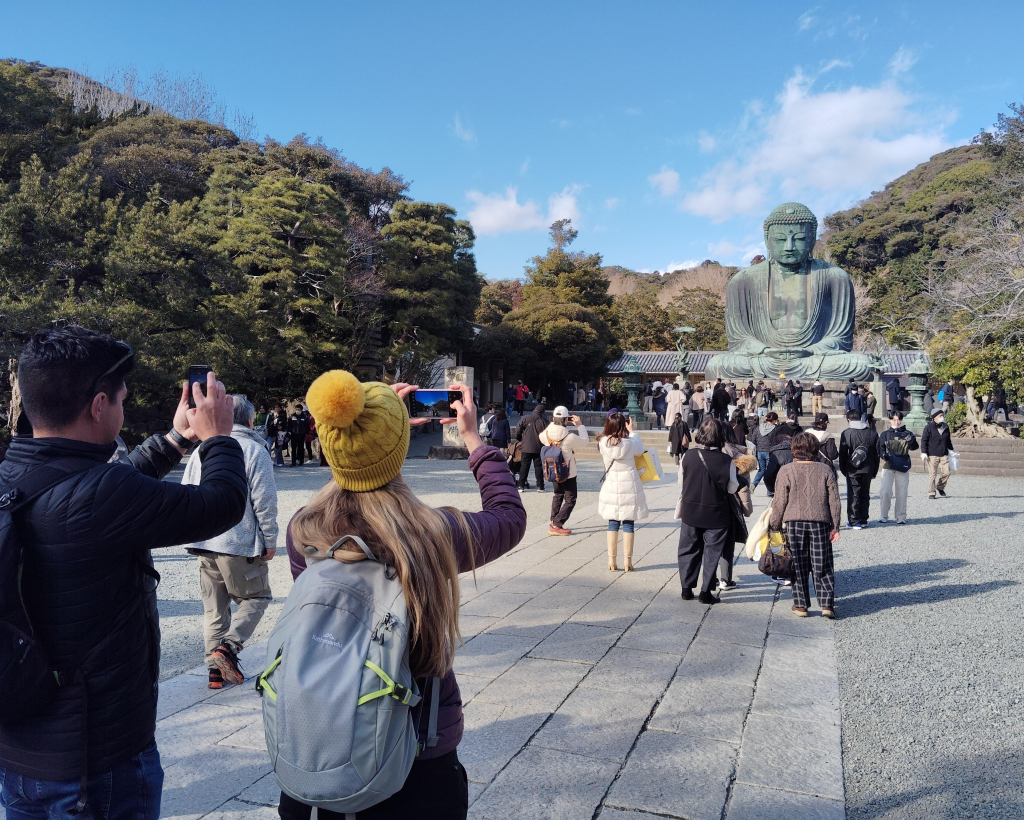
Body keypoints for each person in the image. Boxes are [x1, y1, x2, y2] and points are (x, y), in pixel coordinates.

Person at [0, 327, 247, 820]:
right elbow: (222, 503)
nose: (124, 409)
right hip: (96, 762)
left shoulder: (13, 472)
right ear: (97, 406)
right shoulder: (102, 496)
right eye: (121, 400)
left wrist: (177, 440)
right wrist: (220, 437)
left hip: (22, 754)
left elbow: (99, 494)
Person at [281, 374, 527, 820]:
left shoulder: (304, 529)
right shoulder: (430, 536)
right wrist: (473, 437)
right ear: (396, 450)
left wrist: (365, 427)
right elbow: (508, 516)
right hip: (418, 753)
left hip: (324, 743)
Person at [182, 395, 278, 689]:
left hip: (205, 539)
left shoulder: (201, 449)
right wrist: (269, 538)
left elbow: (187, 490)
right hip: (237, 541)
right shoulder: (253, 449)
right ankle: (229, 648)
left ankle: (214, 672)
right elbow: (264, 500)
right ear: (249, 420)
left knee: (214, 609)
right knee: (257, 597)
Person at [768, 432, 842, 618]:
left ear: (794, 449)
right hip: (820, 522)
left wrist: (774, 525)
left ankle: (801, 605)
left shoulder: (786, 470)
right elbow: (834, 500)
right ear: (815, 449)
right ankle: (827, 605)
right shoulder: (825, 469)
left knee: (798, 564)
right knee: (822, 563)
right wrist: (835, 526)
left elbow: (779, 501)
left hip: (794, 522)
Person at [675, 418, 739, 604]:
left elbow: (681, 481)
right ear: (720, 436)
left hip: (690, 510)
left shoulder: (688, 456)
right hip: (716, 513)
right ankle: (705, 591)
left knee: (688, 549)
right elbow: (732, 488)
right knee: (712, 552)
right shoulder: (727, 460)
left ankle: (686, 588)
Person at [598, 411, 648, 571]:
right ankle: (628, 561)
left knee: (612, 522)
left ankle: (611, 561)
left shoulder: (603, 442)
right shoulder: (631, 443)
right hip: (629, 486)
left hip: (611, 485)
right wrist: (632, 431)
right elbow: (641, 451)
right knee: (628, 523)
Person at [540, 407, 589, 535]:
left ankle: (553, 521)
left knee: (558, 494)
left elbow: (540, 436)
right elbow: (585, 442)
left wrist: (552, 424)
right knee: (571, 498)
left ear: (553, 419)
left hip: (553, 469)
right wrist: (580, 425)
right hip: (568, 471)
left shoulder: (545, 434)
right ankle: (557, 524)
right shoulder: (570, 436)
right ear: (567, 419)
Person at [839, 408, 880, 528]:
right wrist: (874, 471)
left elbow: (843, 454)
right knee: (865, 494)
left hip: (852, 468)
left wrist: (843, 469)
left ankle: (854, 520)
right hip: (868, 468)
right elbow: (876, 454)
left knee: (853, 494)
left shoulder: (847, 433)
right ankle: (863, 519)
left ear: (848, 420)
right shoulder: (872, 433)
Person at [877, 410, 919, 524]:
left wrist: (910, 440)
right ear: (890, 420)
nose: (896, 422)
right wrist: (883, 454)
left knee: (902, 492)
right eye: (894, 419)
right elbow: (879, 448)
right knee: (885, 491)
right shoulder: (885, 434)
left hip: (902, 464)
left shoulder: (907, 433)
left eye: (899, 419)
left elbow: (915, 447)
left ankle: (901, 516)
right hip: (888, 464)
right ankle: (883, 515)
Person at [921, 407, 954, 499]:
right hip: (932, 454)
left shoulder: (945, 426)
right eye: (940, 415)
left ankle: (940, 486)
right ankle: (931, 492)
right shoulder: (928, 427)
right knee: (932, 475)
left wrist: (951, 450)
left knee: (947, 473)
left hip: (944, 453)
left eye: (942, 415)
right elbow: (924, 440)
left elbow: (948, 440)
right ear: (935, 417)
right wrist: (924, 452)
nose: (942, 417)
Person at [515, 404, 549, 492]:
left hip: (526, 446)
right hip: (539, 446)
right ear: (542, 413)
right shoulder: (544, 421)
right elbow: (549, 434)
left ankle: (520, 486)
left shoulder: (525, 418)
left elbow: (518, 430)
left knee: (524, 466)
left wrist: (521, 439)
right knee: (538, 467)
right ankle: (540, 486)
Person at [749, 411, 779, 490]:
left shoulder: (759, 427)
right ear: (774, 420)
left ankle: (754, 484)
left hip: (759, 451)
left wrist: (759, 445)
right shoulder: (775, 429)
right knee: (770, 471)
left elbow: (753, 439)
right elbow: (776, 440)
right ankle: (769, 490)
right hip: (769, 451)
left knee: (761, 470)